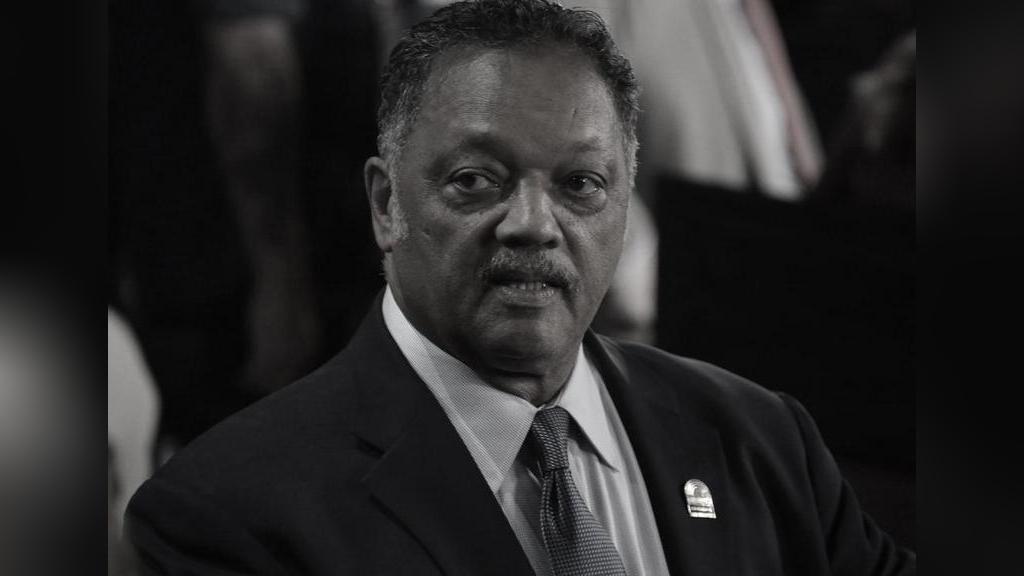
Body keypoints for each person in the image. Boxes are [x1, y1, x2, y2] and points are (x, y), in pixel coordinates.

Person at [125, 1, 916, 574]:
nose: (534, 225)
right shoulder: (229, 516)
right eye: (476, 180)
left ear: (625, 205)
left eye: (581, 185)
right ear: (387, 204)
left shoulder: (765, 442)